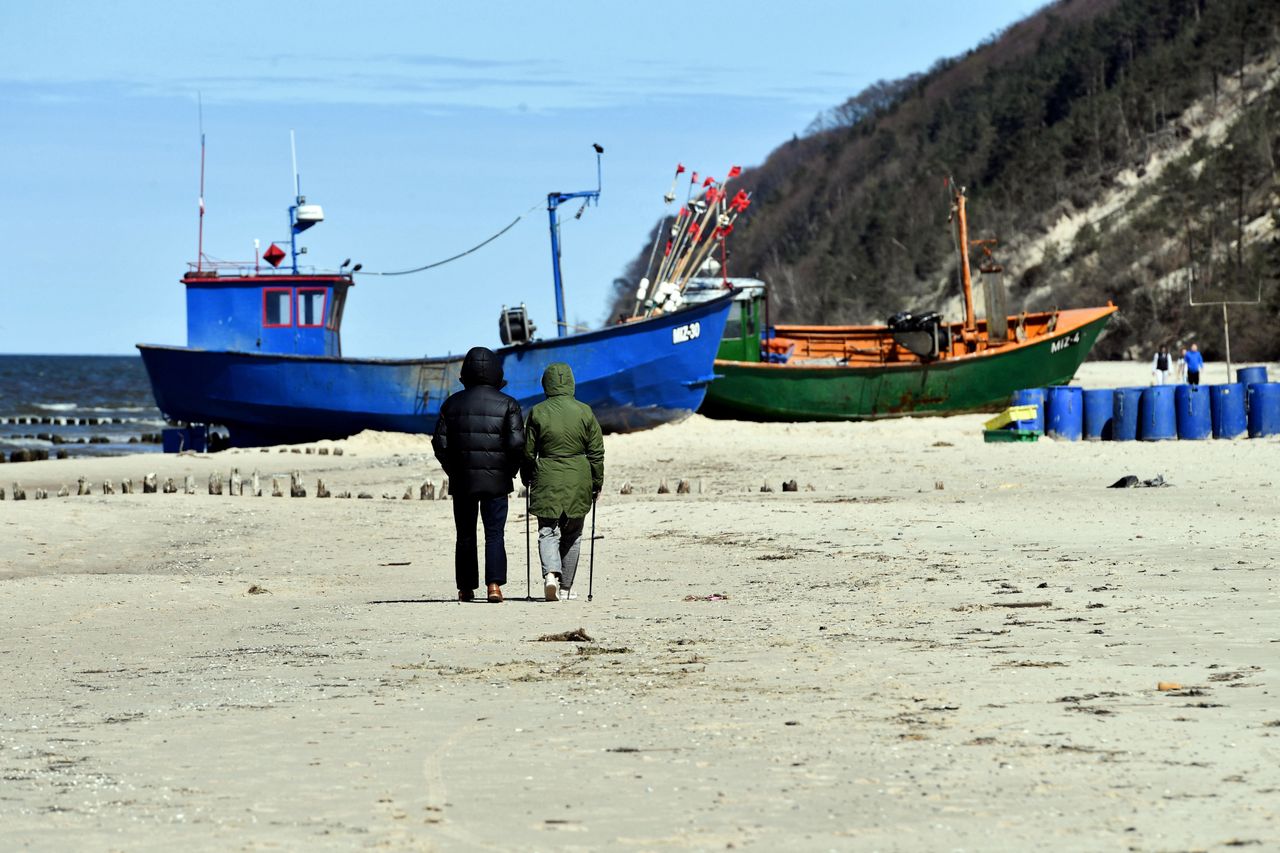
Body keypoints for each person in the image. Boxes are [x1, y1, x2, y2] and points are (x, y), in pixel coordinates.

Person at [432, 347, 525, 603]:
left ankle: (465, 588)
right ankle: (494, 586)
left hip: (462, 481)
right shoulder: (508, 404)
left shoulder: (452, 404)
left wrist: (453, 469)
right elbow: (517, 444)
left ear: (466, 373)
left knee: (465, 534)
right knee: (494, 533)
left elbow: (440, 444)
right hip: (497, 481)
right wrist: (510, 471)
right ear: (496, 372)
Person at [522, 363, 604, 602]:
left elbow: (528, 452)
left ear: (546, 384)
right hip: (579, 476)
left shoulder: (537, 412)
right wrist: (597, 482)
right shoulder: (585, 411)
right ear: (571, 382)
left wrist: (526, 476)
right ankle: (566, 588)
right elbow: (596, 452)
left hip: (546, 474)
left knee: (547, 530)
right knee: (574, 533)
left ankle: (550, 576)